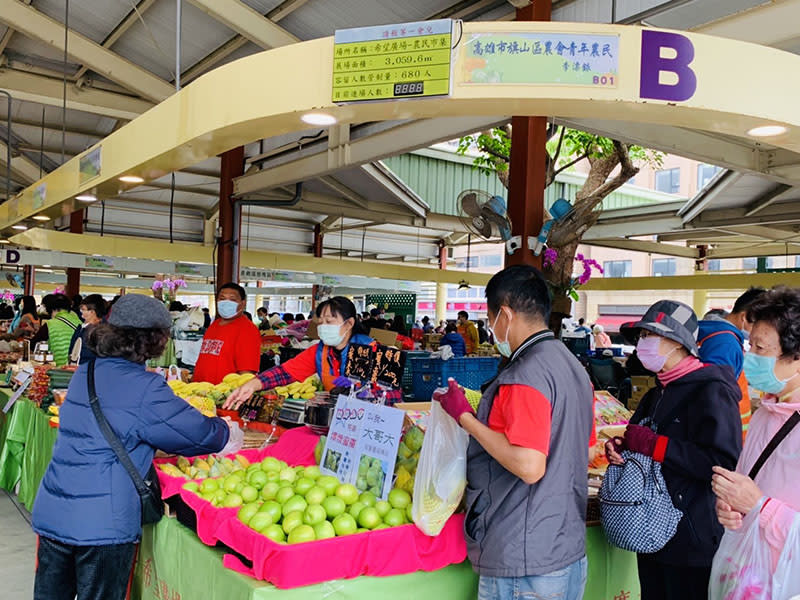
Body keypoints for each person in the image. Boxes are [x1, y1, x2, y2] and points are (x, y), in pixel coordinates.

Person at [31, 294, 232, 600]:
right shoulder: (146, 387)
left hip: (54, 511)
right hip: (102, 525)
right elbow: (202, 436)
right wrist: (226, 428)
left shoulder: (88, 372)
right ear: (153, 340)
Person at [435, 265, 594, 599]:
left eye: (490, 317)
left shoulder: (525, 374)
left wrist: (464, 416)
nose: (491, 327)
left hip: (524, 554)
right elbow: (585, 449)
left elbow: (529, 465)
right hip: (564, 545)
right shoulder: (570, 365)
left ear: (504, 314)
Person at [607, 300, 742, 600]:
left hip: (691, 539)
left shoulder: (712, 390)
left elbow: (721, 463)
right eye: (641, 337)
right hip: (651, 535)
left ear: (678, 343)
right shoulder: (656, 392)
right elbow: (638, 438)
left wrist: (655, 446)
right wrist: (622, 448)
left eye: (650, 336)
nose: (643, 344)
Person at [711, 286, 800, 588]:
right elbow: (748, 485)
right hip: (748, 576)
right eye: (750, 346)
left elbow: (759, 503)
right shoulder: (765, 412)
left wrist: (759, 507)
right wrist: (731, 508)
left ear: (797, 358)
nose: (750, 358)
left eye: (761, 349)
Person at [224, 296, 403, 408]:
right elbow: (284, 373)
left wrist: (357, 391)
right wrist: (252, 385)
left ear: (348, 324)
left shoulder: (371, 350)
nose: (323, 327)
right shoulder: (321, 351)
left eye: (330, 322)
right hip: (340, 422)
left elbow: (394, 397)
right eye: (321, 322)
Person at [698, 287, 767, 441]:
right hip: (724, 436)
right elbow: (714, 396)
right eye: (758, 324)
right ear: (744, 317)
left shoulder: (712, 333)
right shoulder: (726, 343)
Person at [192, 283, 261, 384]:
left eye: (232, 299)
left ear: (243, 303)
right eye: (222, 298)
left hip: (223, 395)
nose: (226, 302)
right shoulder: (214, 325)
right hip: (201, 391)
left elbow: (246, 373)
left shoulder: (247, 330)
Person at [31, 294, 82, 366]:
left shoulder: (51, 324)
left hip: (58, 367)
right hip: (76, 366)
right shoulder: (79, 322)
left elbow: (33, 345)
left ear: (52, 309)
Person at [68, 294, 107, 364]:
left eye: (83, 309)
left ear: (92, 312)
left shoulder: (101, 331)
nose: (81, 311)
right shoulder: (81, 327)